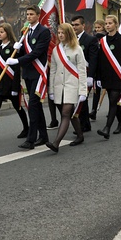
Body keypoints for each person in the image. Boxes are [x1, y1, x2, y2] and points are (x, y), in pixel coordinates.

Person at [6, 5, 51, 149]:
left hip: (38, 73)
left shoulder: (44, 32)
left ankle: (31, 140)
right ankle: (43, 136)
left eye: (31, 14)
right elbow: (25, 52)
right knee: (35, 106)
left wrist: (18, 61)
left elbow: (36, 53)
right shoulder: (25, 32)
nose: (29, 17)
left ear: (38, 15)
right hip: (28, 73)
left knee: (32, 105)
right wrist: (17, 51)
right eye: (27, 14)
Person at [45, 23, 87, 152]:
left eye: (63, 32)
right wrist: (51, 90)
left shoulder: (77, 49)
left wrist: (83, 91)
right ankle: (80, 135)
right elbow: (53, 71)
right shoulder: (56, 50)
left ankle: (56, 143)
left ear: (69, 33)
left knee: (65, 113)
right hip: (59, 87)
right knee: (71, 114)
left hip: (72, 86)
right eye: (59, 33)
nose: (60, 35)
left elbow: (82, 71)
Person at [95, 15, 121, 139]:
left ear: (116, 24)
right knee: (114, 102)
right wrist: (98, 77)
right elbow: (100, 60)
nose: (107, 25)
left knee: (113, 102)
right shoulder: (103, 41)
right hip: (106, 76)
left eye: (110, 23)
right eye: (106, 23)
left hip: (118, 76)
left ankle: (107, 128)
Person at [71, 15, 98, 133]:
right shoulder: (71, 39)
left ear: (83, 25)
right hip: (73, 73)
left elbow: (93, 60)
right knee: (77, 98)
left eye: (77, 25)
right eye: (72, 25)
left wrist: (91, 76)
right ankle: (84, 123)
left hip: (85, 73)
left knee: (82, 99)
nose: (74, 27)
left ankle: (84, 124)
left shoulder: (90, 39)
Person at [89, 19, 107, 120]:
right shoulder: (92, 38)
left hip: (105, 66)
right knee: (96, 90)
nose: (97, 29)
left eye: (99, 27)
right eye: (96, 28)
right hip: (96, 67)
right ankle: (94, 110)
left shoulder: (106, 37)